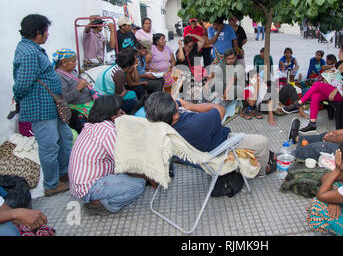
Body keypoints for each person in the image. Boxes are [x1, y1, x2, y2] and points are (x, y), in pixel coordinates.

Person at [143, 91, 276, 177]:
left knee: (262, 148)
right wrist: (189, 106)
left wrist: (180, 104)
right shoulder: (194, 124)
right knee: (263, 142)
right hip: (221, 146)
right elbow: (220, 109)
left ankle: (272, 155)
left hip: (202, 144)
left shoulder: (159, 124)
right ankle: (263, 171)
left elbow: (178, 105)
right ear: (175, 115)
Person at [13, 14, 73, 197]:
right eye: (46, 31)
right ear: (37, 31)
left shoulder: (32, 48)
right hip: (41, 107)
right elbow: (23, 83)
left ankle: (64, 173)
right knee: (49, 146)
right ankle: (51, 184)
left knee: (65, 138)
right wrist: (19, 100)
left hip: (50, 105)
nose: (48, 35)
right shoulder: (30, 52)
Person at [68, 95, 146, 216]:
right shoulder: (108, 131)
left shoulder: (93, 125)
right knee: (138, 185)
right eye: (121, 111)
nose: (123, 114)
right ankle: (99, 204)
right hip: (90, 187)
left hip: (80, 184)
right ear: (113, 115)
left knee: (136, 175)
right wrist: (149, 177)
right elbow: (127, 163)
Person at [283, 43, 343, 133]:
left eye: (340, 52)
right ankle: (312, 124)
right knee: (316, 95)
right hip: (334, 90)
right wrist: (328, 78)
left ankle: (298, 104)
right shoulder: (340, 63)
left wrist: (336, 89)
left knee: (317, 85)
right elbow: (333, 76)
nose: (338, 54)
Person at [53, 48, 99, 132]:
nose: (76, 63)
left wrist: (86, 85)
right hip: (78, 110)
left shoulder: (71, 71)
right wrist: (78, 88)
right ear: (64, 63)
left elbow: (79, 81)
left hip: (88, 103)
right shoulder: (59, 77)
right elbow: (63, 99)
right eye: (73, 61)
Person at [94, 48, 139, 113]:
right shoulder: (119, 74)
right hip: (104, 101)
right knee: (135, 102)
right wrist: (123, 92)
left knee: (132, 94)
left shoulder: (115, 67)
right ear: (129, 65)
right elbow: (119, 96)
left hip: (100, 96)